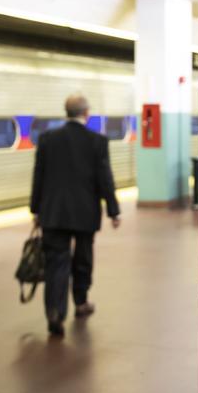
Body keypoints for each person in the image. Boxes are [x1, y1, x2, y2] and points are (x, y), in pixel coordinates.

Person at [30, 94, 121, 337]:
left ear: (66, 112)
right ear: (86, 113)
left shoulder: (48, 139)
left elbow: (38, 176)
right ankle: (81, 302)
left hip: (54, 212)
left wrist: (35, 209)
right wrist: (113, 210)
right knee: (83, 259)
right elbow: (105, 179)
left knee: (56, 263)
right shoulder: (97, 141)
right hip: (84, 212)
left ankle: (55, 312)